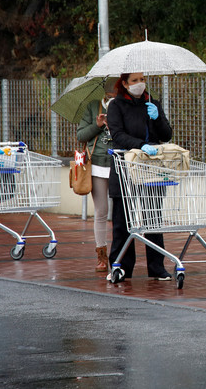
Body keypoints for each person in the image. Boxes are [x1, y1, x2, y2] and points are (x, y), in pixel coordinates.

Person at [106, 72, 173, 280]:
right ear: (124, 84)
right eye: (134, 81)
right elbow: (117, 135)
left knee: (152, 217)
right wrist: (140, 145)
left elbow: (166, 134)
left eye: (142, 79)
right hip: (125, 167)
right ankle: (121, 266)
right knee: (122, 220)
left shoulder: (152, 103)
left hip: (150, 168)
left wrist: (158, 118)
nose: (139, 84)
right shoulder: (115, 106)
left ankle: (157, 267)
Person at [76, 78, 118, 272]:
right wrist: (98, 124)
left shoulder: (124, 106)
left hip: (120, 164)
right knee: (101, 212)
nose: (113, 98)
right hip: (99, 165)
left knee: (121, 213)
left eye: (116, 94)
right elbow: (81, 135)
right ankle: (102, 256)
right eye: (110, 95)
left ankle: (120, 254)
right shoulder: (93, 107)